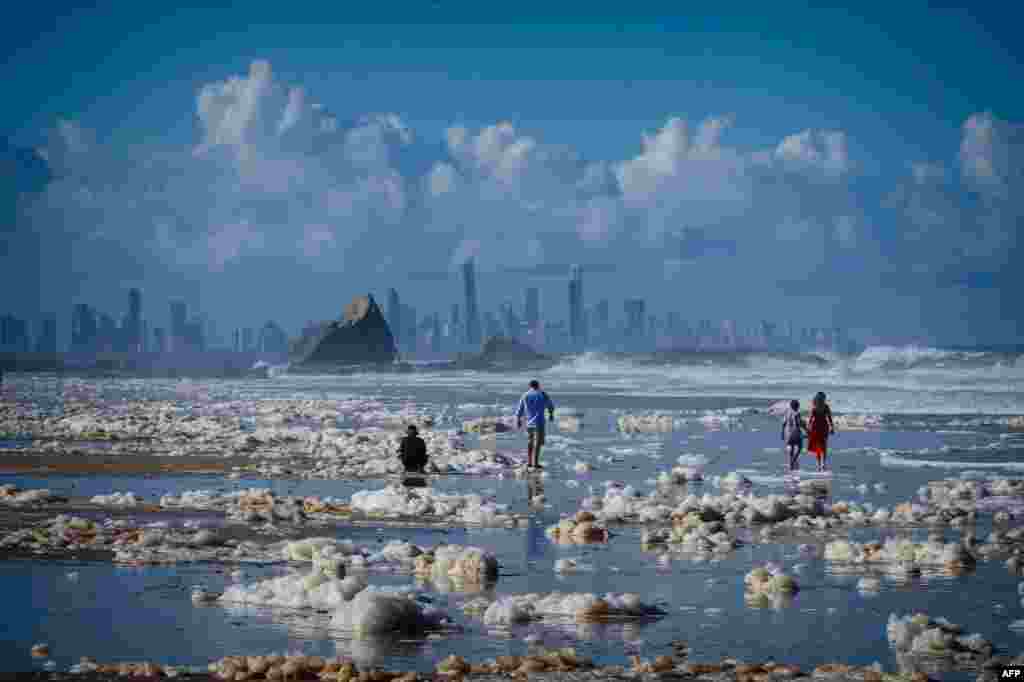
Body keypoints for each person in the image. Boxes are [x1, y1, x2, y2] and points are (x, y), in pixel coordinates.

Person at [516, 379, 555, 470]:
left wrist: (518, 420)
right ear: (538, 385)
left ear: (530, 386)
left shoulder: (525, 395)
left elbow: (520, 409)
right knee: (537, 443)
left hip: (529, 423)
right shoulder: (543, 394)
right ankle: (535, 463)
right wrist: (551, 414)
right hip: (539, 422)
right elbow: (550, 406)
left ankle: (529, 462)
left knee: (530, 441)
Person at [807, 391, 836, 472]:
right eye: (824, 397)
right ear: (823, 398)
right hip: (823, 427)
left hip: (816, 428)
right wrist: (832, 427)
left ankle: (820, 463)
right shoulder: (825, 407)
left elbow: (810, 420)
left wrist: (809, 429)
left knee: (818, 447)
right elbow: (829, 418)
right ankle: (823, 463)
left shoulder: (814, 407)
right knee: (824, 445)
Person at [781, 399, 806, 471]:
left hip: (788, 433)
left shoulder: (787, 412)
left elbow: (784, 423)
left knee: (791, 448)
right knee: (800, 447)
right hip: (795, 433)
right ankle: (793, 461)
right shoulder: (797, 413)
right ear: (797, 406)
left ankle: (791, 463)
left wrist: (782, 433)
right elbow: (798, 424)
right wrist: (806, 430)